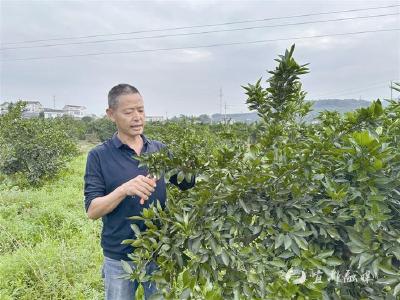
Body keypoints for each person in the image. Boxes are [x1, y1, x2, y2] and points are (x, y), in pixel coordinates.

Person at [83, 83, 195, 300]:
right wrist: (124, 189)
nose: (137, 117)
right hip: (120, 258)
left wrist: (192, 164)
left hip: (160, 251)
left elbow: (187, 183)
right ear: (111, 114)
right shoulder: (99, 156)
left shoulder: (159, 151)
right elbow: (92, 210)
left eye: (141, 110)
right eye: (128, 112)